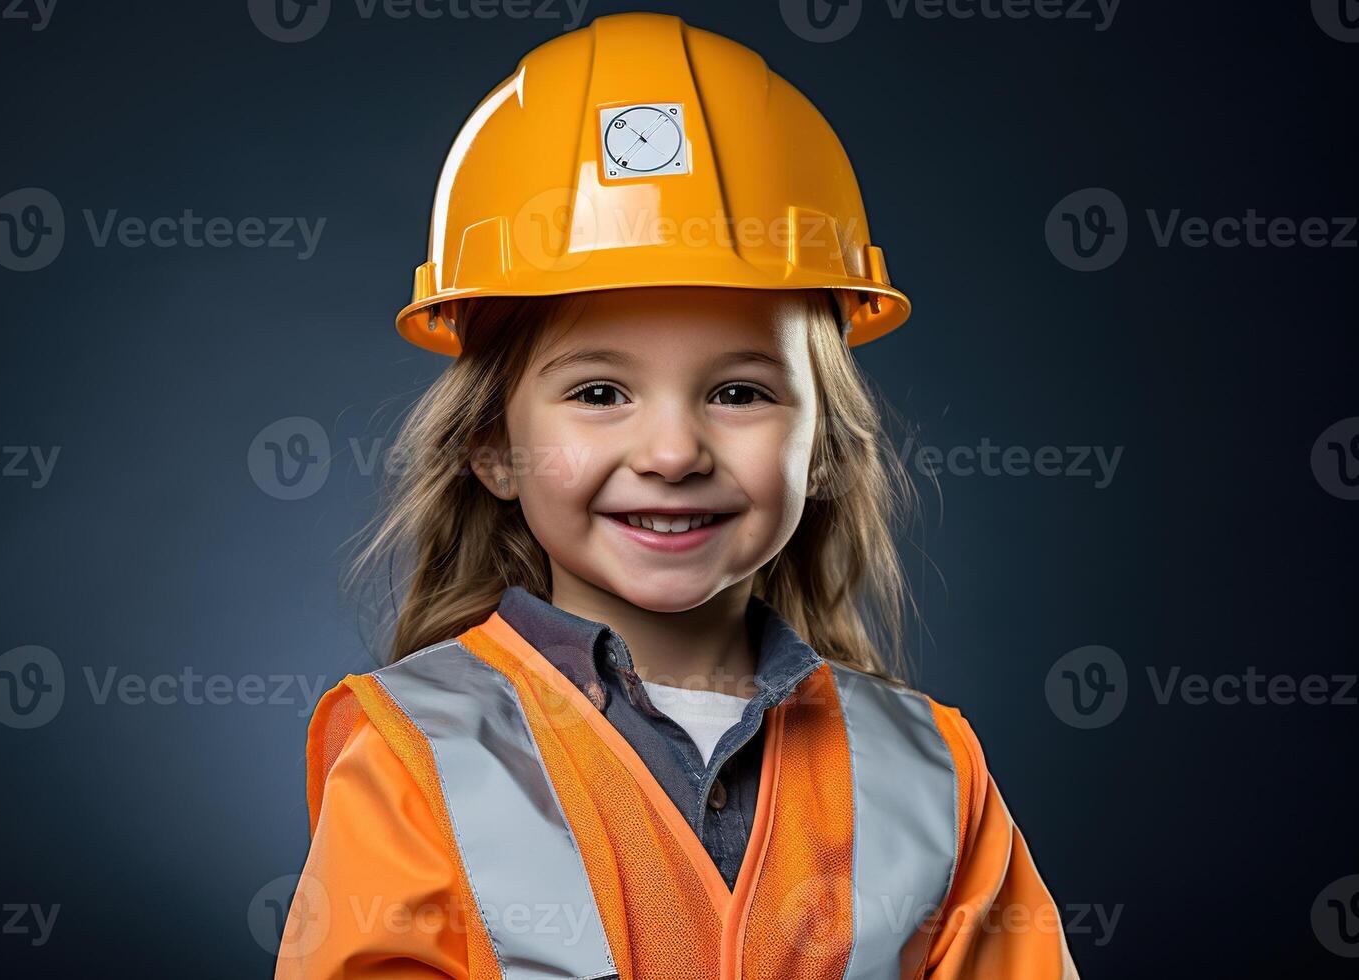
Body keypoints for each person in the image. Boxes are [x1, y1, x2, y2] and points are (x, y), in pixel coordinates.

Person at [277, 11, 1079, 979]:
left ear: (820, 443)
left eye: (739, 391)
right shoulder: (419, 758)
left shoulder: (931, 771)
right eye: (599, 392)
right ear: (492, 446)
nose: (671, 450)